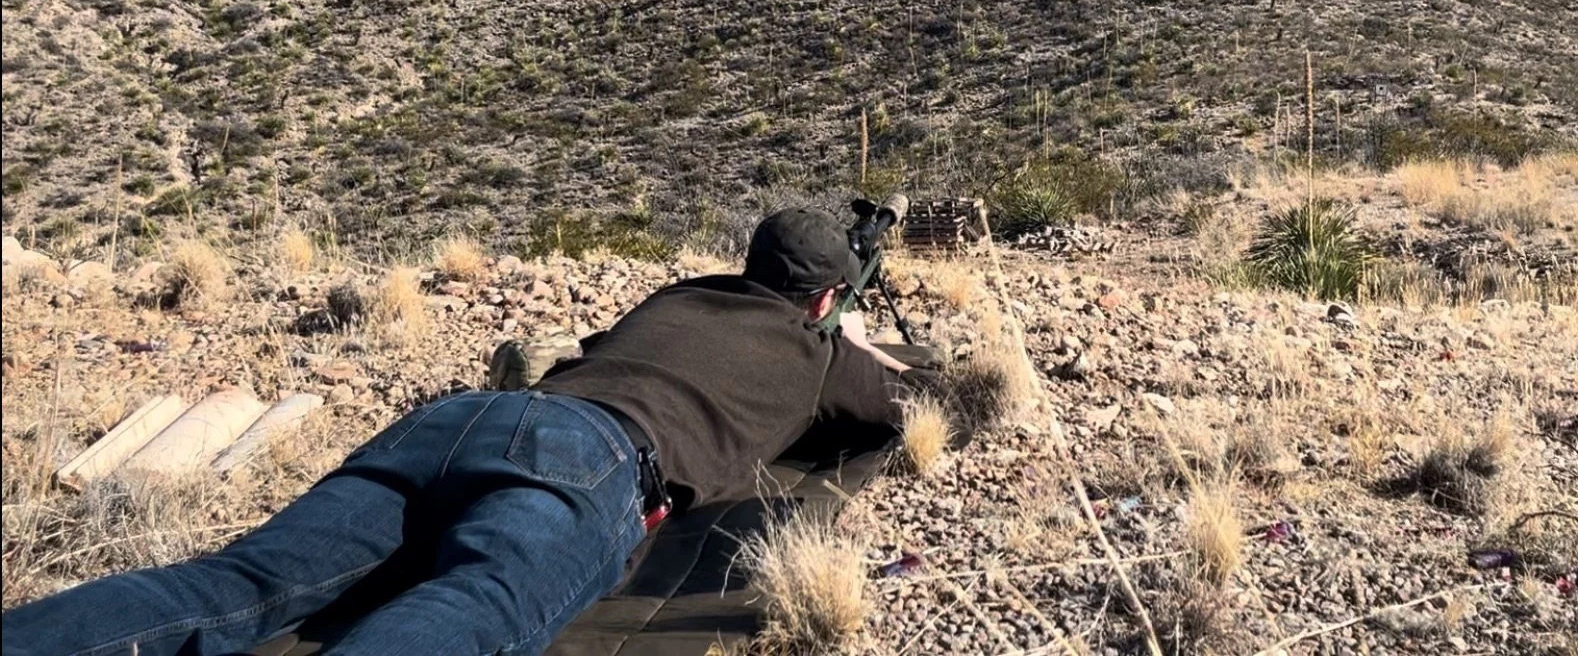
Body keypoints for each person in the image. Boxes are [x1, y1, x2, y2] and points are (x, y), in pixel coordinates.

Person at [4, 208, 925, 656]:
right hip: (591, 455)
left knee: (235, 583)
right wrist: (843, 342)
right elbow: (900, 406)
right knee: (474, 605)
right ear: (824, 299)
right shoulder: (816, 347)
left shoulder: (679, 293)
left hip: (458, 420)